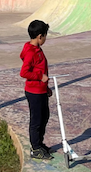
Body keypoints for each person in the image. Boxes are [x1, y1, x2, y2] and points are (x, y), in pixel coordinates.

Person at [21, 19, 53, 160]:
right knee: (36, 120)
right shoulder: (31, 52)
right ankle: (35, 148)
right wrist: (40, 77)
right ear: (40, 36)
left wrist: (46, 87)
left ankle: (39, 143)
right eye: (45, 36)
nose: (45, 39)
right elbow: (24, 72)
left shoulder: (36, 49)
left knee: (44, 116)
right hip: (34, 92)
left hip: (41, 90)